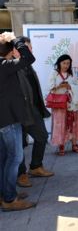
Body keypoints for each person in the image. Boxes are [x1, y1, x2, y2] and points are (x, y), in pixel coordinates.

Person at [0, 31, 36, 211]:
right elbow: (29, 58)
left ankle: (5, 194)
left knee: (4, 159)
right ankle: (9, 199)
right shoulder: (4, 65)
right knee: (15, 158)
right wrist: (15, 39)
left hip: (3, 120)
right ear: (10, 50)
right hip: (8, 120)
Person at [12, 37, 54, 188]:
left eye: (30, 48)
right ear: (16, 51)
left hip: (34, 109)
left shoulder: (28, 66)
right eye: (28, 48)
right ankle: (21, 174)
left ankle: (36, 166)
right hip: (20, 113)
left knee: (41, 136)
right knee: (20, 144)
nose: (31, 51)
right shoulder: (13, 66)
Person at [47, 54, 78, 156]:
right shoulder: (54, 73)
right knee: (60, 124)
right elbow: (50, 87)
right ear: (59, 63)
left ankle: (74, 143)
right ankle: (61, 144)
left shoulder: (71, 74)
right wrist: (60, 86)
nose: (66, 65)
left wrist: (70, 86)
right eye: (64, 63)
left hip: (71, 103)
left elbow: (77, 86)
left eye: (68, 63)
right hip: (59, 103)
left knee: (73, 123)